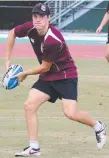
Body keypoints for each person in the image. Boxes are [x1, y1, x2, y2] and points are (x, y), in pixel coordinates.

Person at [5, 3, 106, 157]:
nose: (38, 20)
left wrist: (24, 74)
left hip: (65, 75)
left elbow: (45, 67)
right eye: (35, 16)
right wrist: (7, 60)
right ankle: (34, 148)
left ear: (48, 19)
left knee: (70, 113)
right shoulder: (31, 28)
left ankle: (98, 126)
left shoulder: (53, 39)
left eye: (42, 17)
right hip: (48, 76)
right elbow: (12, 33)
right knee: (29, 105)